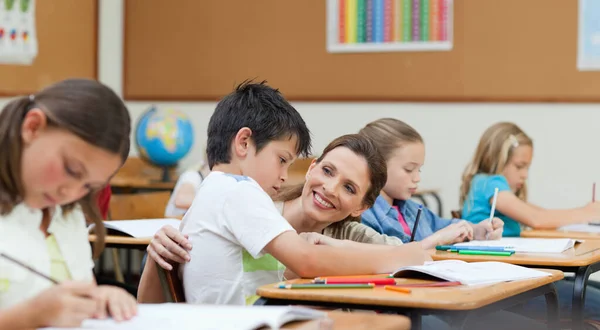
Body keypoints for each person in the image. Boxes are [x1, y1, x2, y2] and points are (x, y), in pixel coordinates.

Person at [138, 81, 431, 306]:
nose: (282, 175)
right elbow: (306, 261)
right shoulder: (239, 192)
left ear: (361, 206)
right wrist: (398, 258)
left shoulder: (215, 192)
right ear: (243, 143)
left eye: (349, 187)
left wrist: (398, 254)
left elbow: (293, 267)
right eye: (281, 160)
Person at [0, 79, 137, 329]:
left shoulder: (67, 213)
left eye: (88, 186)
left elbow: (79, 292)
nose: (71, 192)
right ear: (32, 127)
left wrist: (100, 299)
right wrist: (30, 316)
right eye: (71, 169)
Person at [460, 121, 600, 322]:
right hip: (503, 288)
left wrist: (584, 213)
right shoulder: (490, 183)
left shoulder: (484, 184)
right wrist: (587, 212)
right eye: (519, 166)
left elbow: (540, 213)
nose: (525, 175)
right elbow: (537, 220)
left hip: (513, 279)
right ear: (496, 160)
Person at [358, 118, 503, 246]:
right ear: (377, 166)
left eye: (418, 170)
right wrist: (437, 239)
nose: (417, 178)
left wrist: (476, 230)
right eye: (409, 169)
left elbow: (444, 226)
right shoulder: (363, 215)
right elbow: (385, 257)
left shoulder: (413, 210)